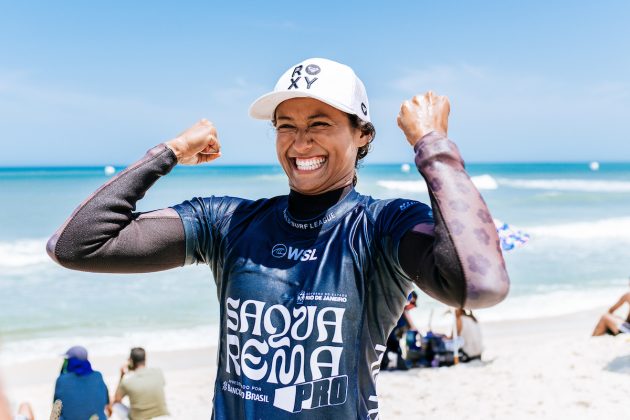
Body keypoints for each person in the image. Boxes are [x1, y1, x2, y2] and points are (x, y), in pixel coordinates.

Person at [47, 58, 510, 419]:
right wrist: (166, 154)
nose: (299, 142)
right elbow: (76, 244)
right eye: (285, 125)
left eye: (320, 124)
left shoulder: (380, 227)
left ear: (362, 135)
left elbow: (480, 283)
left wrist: (431, 143)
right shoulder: (228, 223)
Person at [110, 348, 169, 420]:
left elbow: (117, 400)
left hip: (138, 418)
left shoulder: (127, 382)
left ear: (131, 361)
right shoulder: (158, 372)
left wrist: (122, 375)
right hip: (162, 416)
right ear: (145, 359)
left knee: (115, 405)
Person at [53, 346, 109, 420]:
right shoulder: (98, 376)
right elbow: (106, 402)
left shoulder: (61, 380)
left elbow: (56, 408)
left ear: (70, 361)